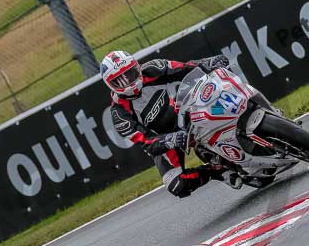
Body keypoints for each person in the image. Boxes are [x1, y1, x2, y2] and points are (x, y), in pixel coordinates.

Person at [102, 50, 240, 198]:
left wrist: (210, 63)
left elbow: (187, 68)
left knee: (226, 106)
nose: (129, 80)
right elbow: (147, 142)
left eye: (130, 73)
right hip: (165, 141)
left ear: (137, 66)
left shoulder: (153, 68)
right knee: (175, 184)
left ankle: (243, 117)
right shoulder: (120, 114)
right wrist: (169, 140)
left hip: (183, 113)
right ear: (111, 84)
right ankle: (217, 171)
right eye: (121, 80)